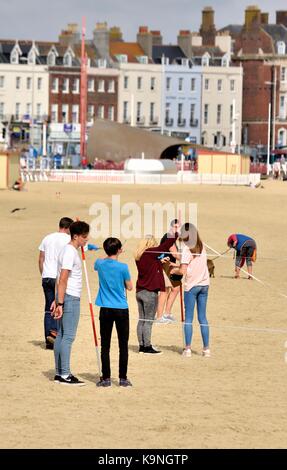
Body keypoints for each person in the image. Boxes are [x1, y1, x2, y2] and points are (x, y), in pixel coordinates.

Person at [51, 220, 90, 386]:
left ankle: (60, 372)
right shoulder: (69, 252)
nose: (86, 240)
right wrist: (59, 303)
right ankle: (65, 374)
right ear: (76, 236)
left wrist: (56, 299)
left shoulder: (70, 250)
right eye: (84, 237)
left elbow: (59, 278)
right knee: (67, 337)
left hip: (64, 296)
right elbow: (63, 278)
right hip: (70, 297)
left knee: (61, 335)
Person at [94, 238, 133, 387]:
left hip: (105, 309)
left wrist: (111, 254)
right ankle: (123, 378)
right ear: (119, 250)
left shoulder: (100, 263)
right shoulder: (123, 267)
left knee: (106, 345)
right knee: (123, 345)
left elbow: (99, 264)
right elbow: (129, 287)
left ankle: (106, 378)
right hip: (121, 309)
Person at [169, 223, 210, 358]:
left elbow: (182, 271)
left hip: (192, 286)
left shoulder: (187, 249)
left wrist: (173, 269)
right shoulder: (202, 246)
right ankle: (206, 349)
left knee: (188, 319)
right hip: (204, 285)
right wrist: (178, 264)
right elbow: (191, 263)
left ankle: (187, 349)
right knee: (203, 318)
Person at [134, 232, 178, 355]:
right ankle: (147, 346)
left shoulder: (141, 256)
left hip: (140, 291)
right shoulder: (149, 253)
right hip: (149, 293)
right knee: (148, 321)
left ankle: (142, 345)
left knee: (142, 320)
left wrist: (160, 261)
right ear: (150, 245)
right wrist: (176, 233)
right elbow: (165, 246)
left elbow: (150, 266)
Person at [38, 217, 73, 349]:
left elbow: (41, 259)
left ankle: (48, 339)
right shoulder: (67, 240)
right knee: (59, 306)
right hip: (58, 277)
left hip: (46, 276)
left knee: (48, 308)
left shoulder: (47, 238)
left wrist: (43, 274)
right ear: (69, 228)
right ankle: (54, 335)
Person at [157, 219, 181, 323]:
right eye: (175, 227)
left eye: (178, 227)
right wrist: (189, 258)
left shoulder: (173, 238)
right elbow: (175, 254)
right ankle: (159, 317)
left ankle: (167, 313)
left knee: (176, 288)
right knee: (165, 291)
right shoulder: (168, 237)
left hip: (172, 266)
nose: (177, 229)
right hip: (165, 266)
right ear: (171, 227)